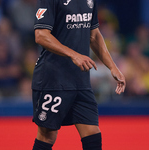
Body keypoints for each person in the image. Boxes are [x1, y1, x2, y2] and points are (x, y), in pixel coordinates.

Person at [32, 0, 126, 150]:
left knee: (92, 133)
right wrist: (73, 55)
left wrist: (113, 67)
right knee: (47, 135)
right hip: (53, 79)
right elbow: (41, 35)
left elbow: (94, 35)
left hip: (80, 80)